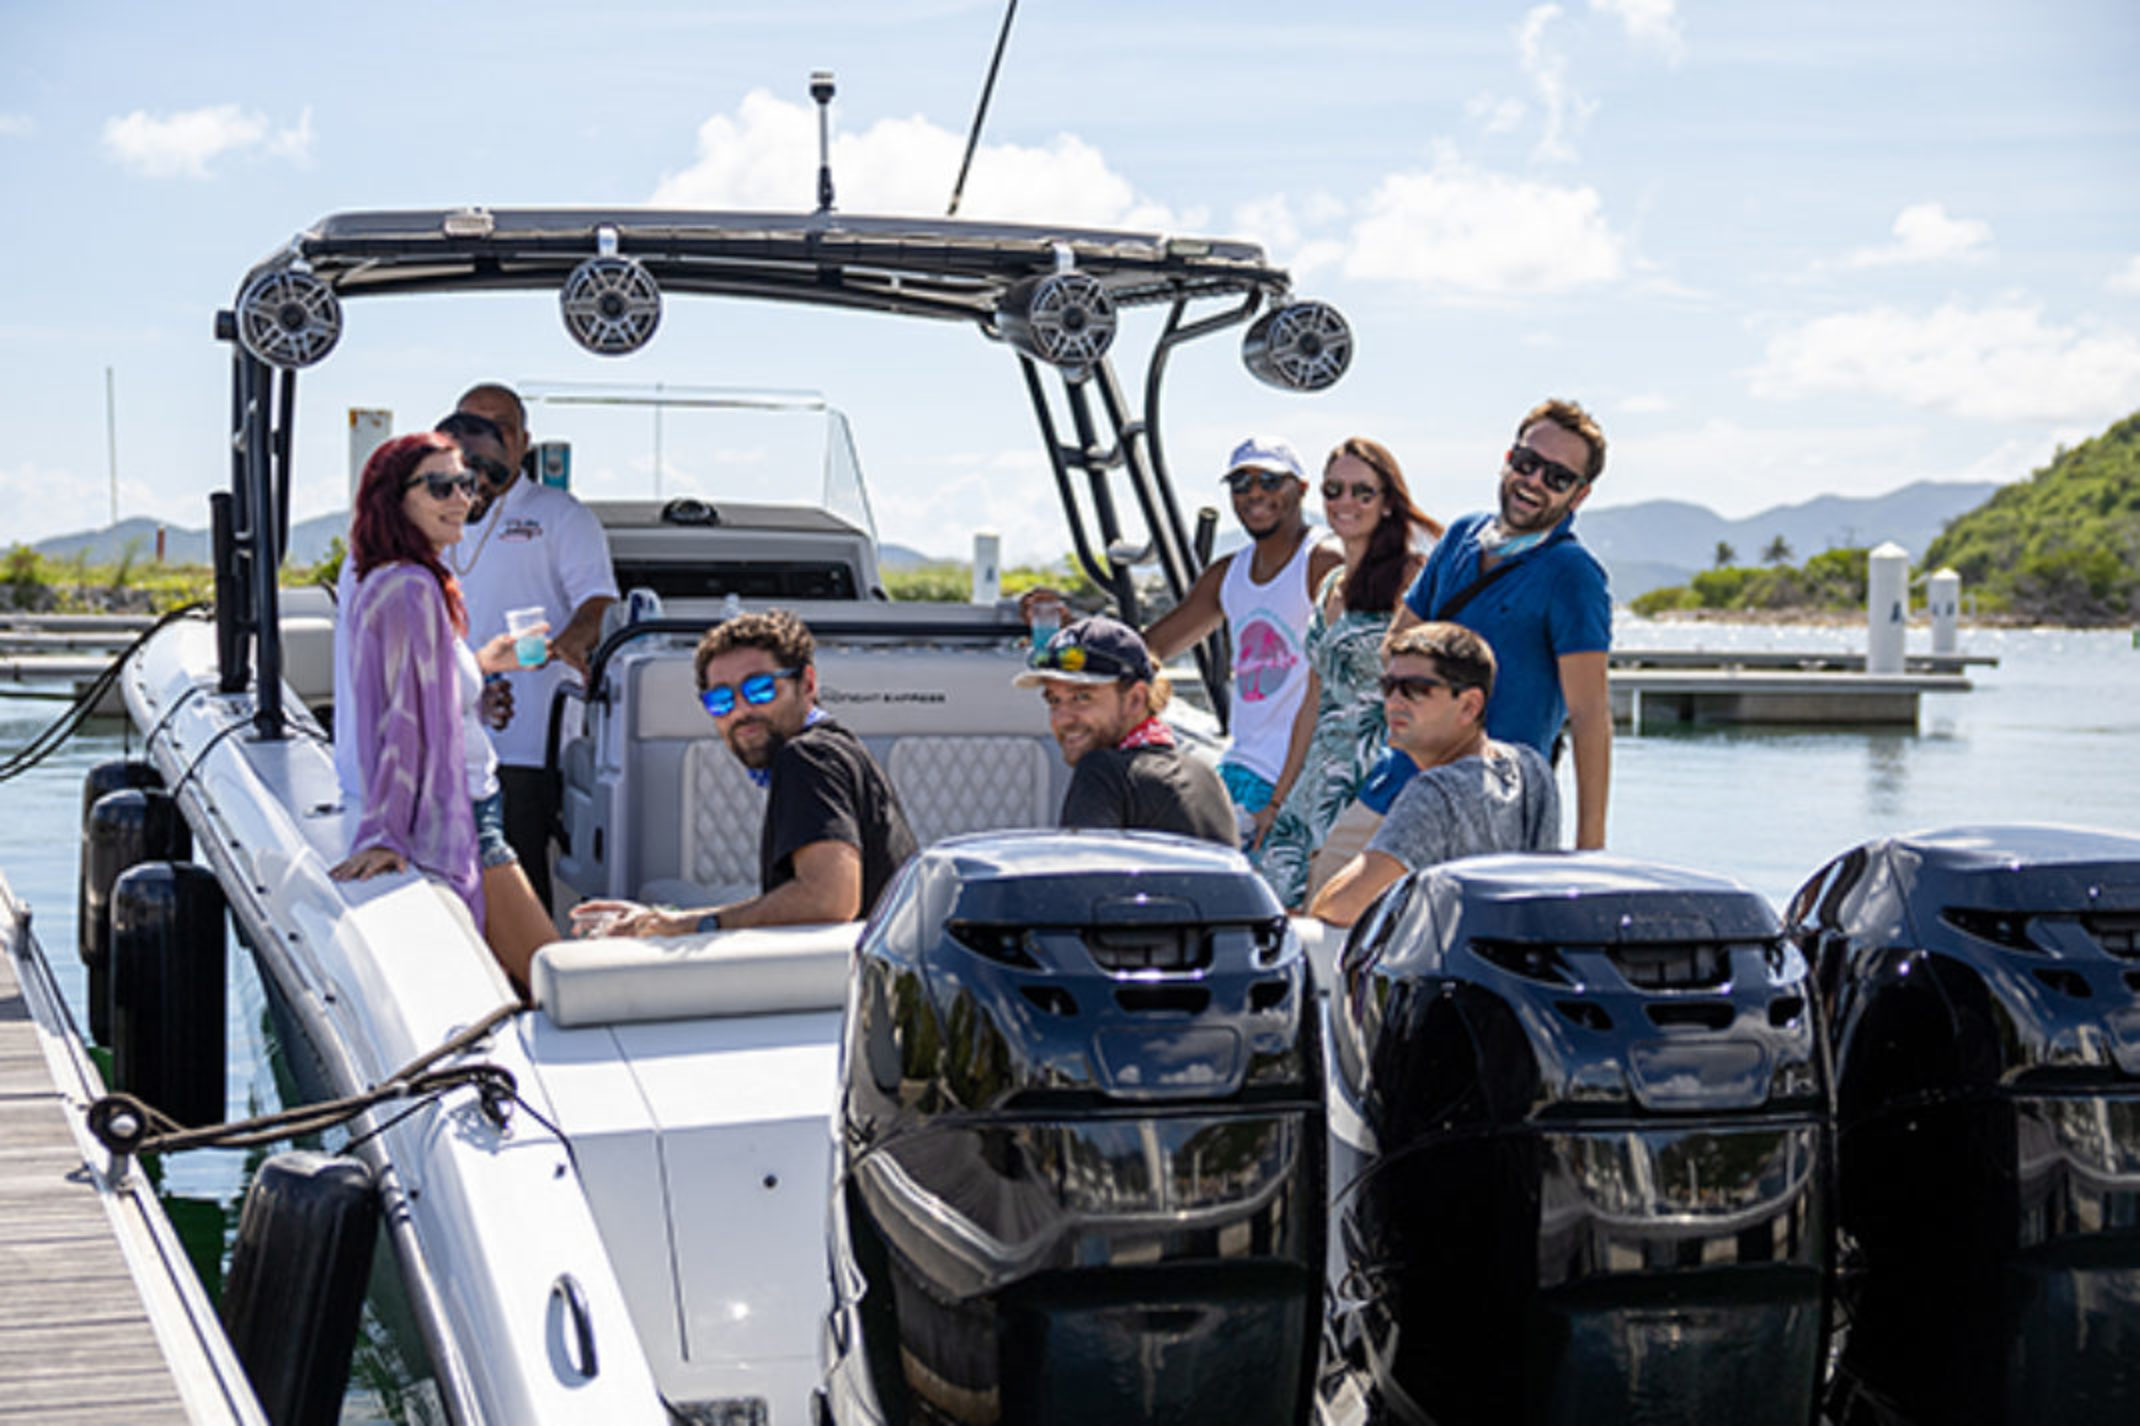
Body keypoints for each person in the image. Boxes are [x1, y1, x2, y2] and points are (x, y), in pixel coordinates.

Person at [328, 433, 559, 989]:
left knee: (511, 978)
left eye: (467, 484)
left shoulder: (381, 575)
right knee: (552, 977)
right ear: (394, 497)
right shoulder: (410, 588)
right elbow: (400, 723)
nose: (461, 498)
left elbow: (419, 693)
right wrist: (384, 835)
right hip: (464, 814)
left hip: (470, 804)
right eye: (440, 486)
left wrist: (484, 665)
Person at [1023, 435, 1341, 833]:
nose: (1254, 493)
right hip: (1241, 770)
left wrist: (1285, 799)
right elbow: (1149, 649)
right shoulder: (1228, 574)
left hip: (1296, 779)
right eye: (1241, 484)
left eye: (1270, 481)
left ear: (1302, 488)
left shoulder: (1323, 562)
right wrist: (1074, 634)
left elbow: (1347, 671)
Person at [571, 608, 918, 936]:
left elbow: (828, 900)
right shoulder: (834, 750)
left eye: (760, 688)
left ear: (808, 684)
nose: (741, 711)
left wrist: (688, 925)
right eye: (720, 700)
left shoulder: (808, 757)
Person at [1375, 399, 1613, 850]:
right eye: (1527, 463)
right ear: (1508, 459)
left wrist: (1590, 848)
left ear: (1579, 495)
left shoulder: (1572, 574)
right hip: (1397, 784)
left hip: (1487, 809)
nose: (1534, 481)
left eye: (1557, 477)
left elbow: (1589, 716)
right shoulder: (1463, 536)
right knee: (1329, 902)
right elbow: (1395, 647)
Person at [1250, 437, 1441, 907]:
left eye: (1362, 491)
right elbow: (1313, 702)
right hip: (1313, 783)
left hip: (1375, 782)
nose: (1344, 503)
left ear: (1389, 503)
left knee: (1344, 918)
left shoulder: (1412, 580)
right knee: (1281, 912)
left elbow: (1429, 691)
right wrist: (1278, 801)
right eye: (1333, 490)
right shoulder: (1330, 585)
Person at [452, 382, 619, 909]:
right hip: (444, 734)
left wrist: (564, 646)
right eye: (470, 425)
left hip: (527, 740)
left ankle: (532, 984)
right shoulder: (436, 513)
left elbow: (598, 606)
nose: (484, 438)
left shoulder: (561, 515)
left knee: (515, 883)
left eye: (498, 425)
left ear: (523, 440)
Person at [1311, 623, 1560, 927]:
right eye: (1387, 686)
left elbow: (1339, 906)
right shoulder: (1532, 769)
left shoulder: (1435, 794)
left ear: (1469, 706)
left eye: (1415, 689)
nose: (1393, 702)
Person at [1013, 615, 1235, 844]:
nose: (1062, 718)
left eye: (1081, 697)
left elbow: (1080, 872)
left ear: (1136, 700)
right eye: (1054, 701)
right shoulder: (1204, 775)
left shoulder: (1101, 771)